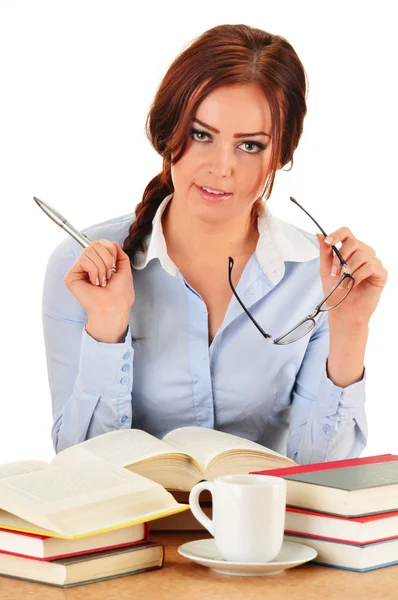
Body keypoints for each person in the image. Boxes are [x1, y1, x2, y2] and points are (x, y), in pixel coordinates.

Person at [42, 24, 388, 462]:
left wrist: (351, 329)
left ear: (280, 155)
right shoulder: (81, 267)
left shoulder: (319, 278)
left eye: (248, 145)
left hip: (264, 528)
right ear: (170, 133)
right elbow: (78, 469)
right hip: (138, 529)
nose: (221, 167)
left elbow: (325, 476)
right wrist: (107, 328)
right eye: (202, 135)